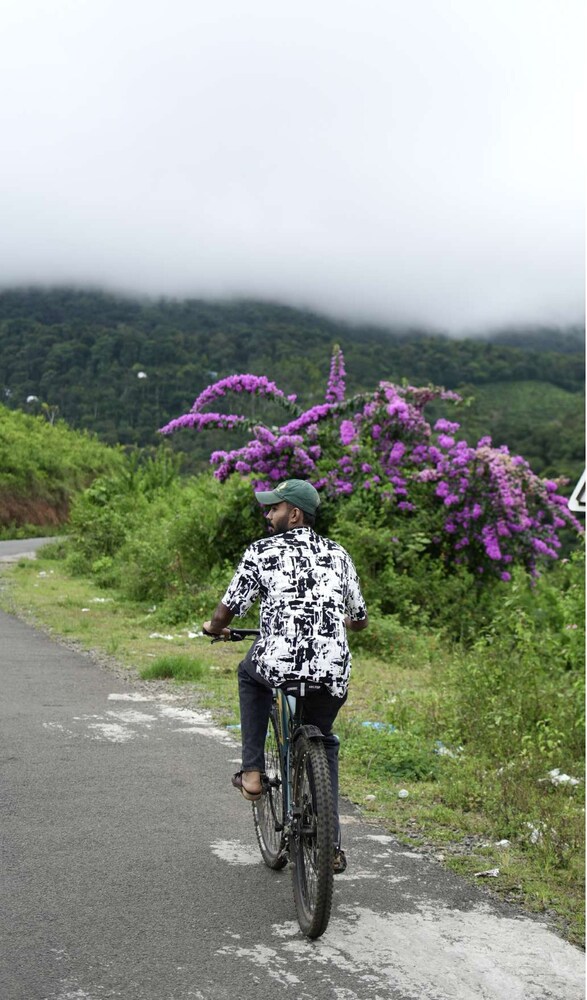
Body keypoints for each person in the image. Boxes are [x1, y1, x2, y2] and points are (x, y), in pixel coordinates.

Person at [203, 478, 368, 872]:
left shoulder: (262, 551)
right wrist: (331, 618)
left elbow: (228, 611)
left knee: (249, 674)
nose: (268, 514)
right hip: (332, 668)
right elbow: (359, 620)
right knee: (322, 739)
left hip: (278, 659)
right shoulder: (339, 554)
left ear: (293, 514)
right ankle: (330, 847)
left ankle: (253, 773)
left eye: (273, 508)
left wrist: (214, 628)